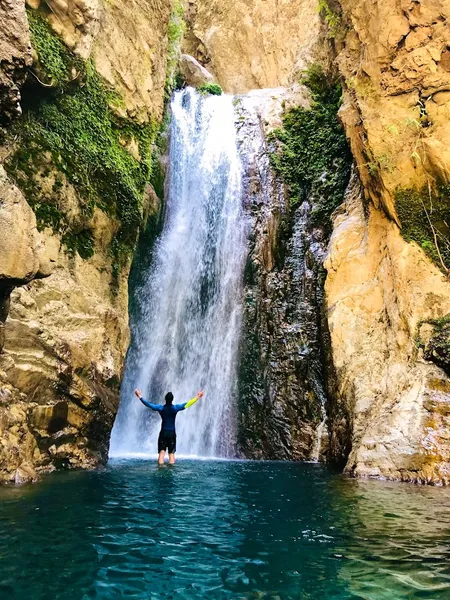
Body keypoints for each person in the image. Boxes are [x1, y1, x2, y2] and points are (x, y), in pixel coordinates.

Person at [134, 389, 205, 464]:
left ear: (165, 399)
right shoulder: (175, 408)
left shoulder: (161, 408)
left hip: (163, 433)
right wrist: (197, 397)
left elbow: (149, 404)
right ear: (172, 400)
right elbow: (187, 404)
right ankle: (171, 469)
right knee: (171, 454)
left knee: (161, 453)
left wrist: (140, 396)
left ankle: (161, 469)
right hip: (172, 433)